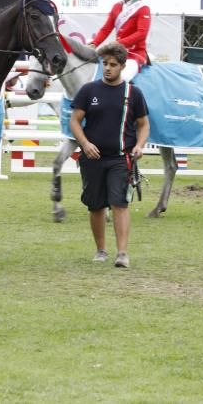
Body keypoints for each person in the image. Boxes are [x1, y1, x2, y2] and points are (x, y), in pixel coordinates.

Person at [69, 42, 149, 268]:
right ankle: (100, 250)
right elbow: (74, 121)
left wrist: (140, 146)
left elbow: (144, 125)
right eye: (105, 64)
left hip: (120, 159)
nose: (108, 68)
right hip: (92, 159)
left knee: (119, 203)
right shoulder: (89, 90)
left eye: (113, 64)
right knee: (95, 206)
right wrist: (84, 144)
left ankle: (122, 253)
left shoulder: (133, 94)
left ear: (122, 66)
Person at [90, 0, 151, 81]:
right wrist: (94, 43)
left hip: (135, 53)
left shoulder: (143, 8)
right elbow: (106, 29)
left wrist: (118, 43)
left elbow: (141, 34)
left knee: (123, 77)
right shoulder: (116, 7)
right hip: (117, 53)